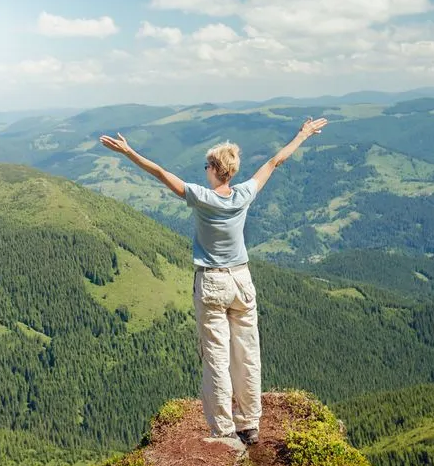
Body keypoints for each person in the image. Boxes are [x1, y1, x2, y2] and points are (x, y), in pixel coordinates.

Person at [99, 116, 328, 444]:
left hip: (211, 283)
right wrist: (304, 134)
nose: (204, 169)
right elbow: (275, 161)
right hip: (242, 280)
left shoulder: (200, 198)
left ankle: (223, 431)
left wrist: (129, 153)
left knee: (216, 356)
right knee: (247, 351)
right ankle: (249, 423)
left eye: (207, 164)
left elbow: (162, 173)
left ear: (213, 168)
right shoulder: (244, 194)